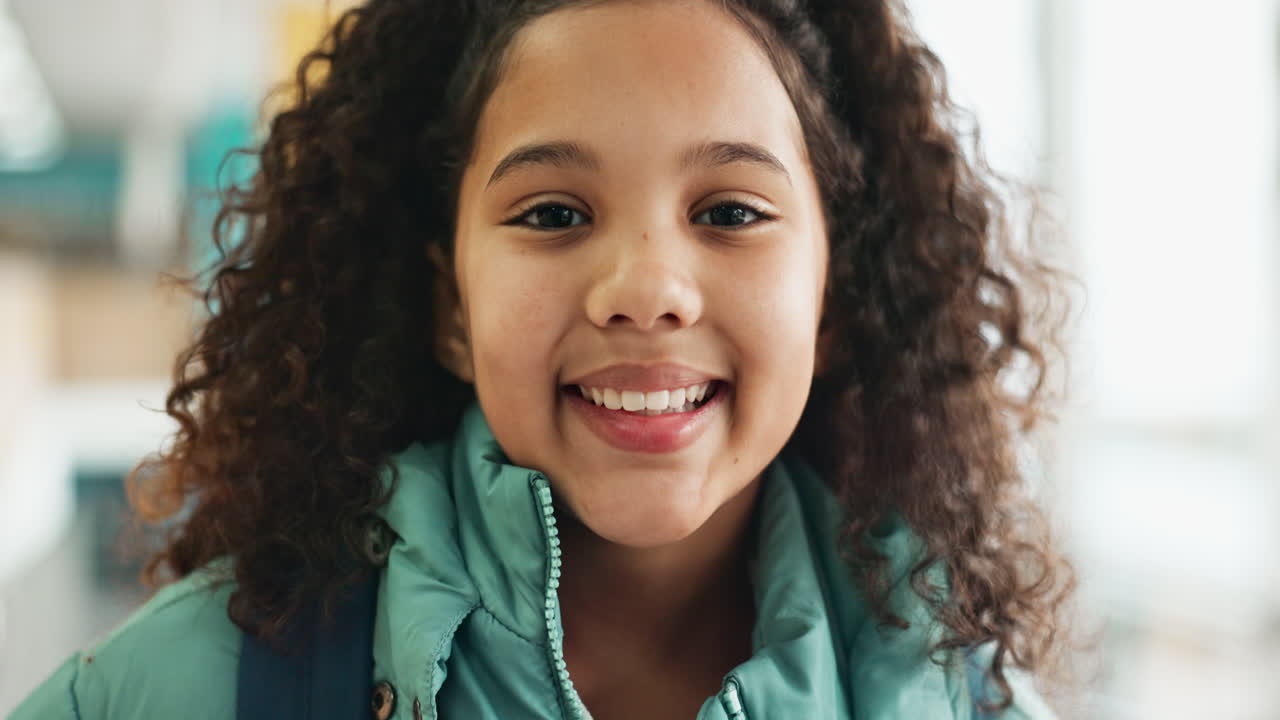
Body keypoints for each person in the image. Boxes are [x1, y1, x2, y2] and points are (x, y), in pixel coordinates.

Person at [12, 0, 1076, 717]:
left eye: (730, 210)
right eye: (555, 211)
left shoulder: (959, 697)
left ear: (831, 304)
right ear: (451, 310)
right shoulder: (194, 685)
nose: (647, 289)